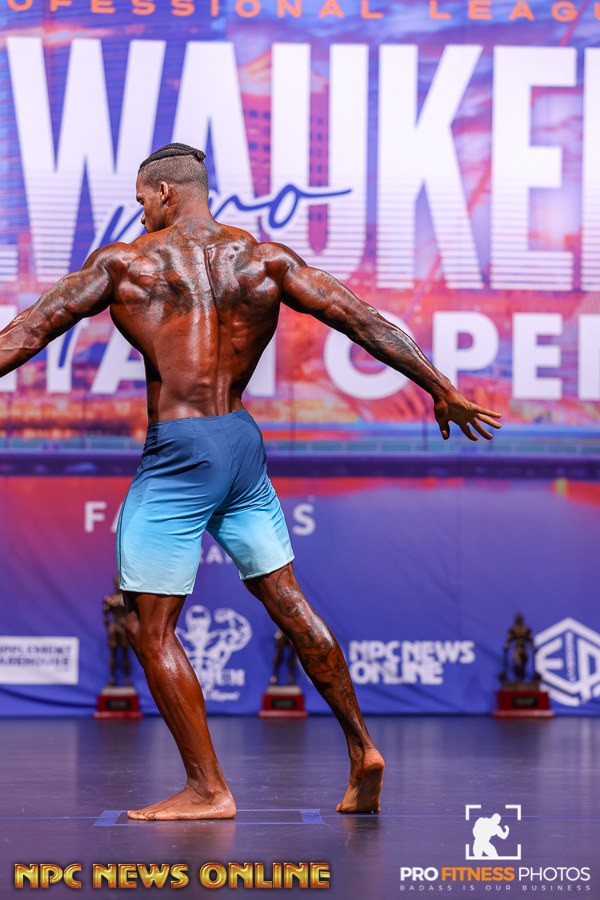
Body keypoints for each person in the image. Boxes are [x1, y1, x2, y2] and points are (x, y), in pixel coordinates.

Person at [0, 142, 501, 821]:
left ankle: (208, 789)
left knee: (148, 627)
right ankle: (362, 750)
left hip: (181, 450)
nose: (139, 212)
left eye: (142, 199)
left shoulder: (127, 263)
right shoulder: (266, 260)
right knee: (287, 599)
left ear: (165, 192)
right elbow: (362, 319)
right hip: (241, 443)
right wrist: (439, 386)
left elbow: (31, 328)